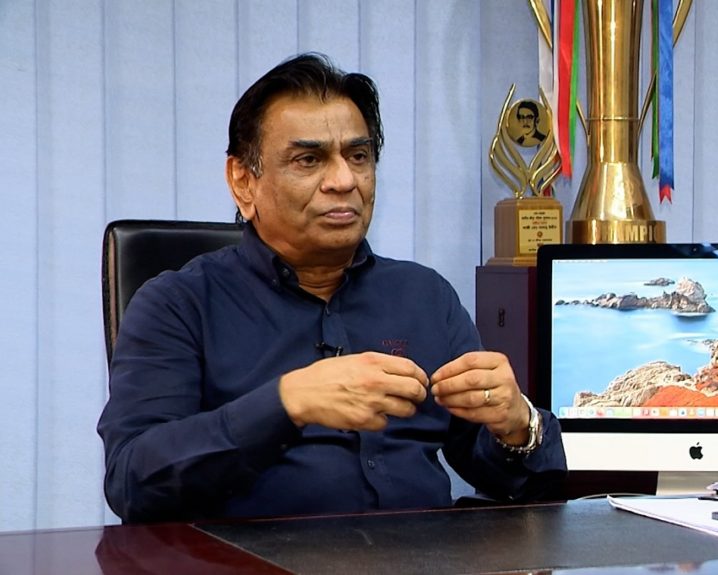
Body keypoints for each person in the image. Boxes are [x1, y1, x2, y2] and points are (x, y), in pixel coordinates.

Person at [97, 52, 567, 523]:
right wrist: (287, 402)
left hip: (423, 553)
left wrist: (517, 425)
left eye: (358, 156)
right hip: (255, 557)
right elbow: (134, 482)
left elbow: (510, 479)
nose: (344, 181)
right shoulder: (178, 305)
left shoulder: (424, 296)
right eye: (308, 159)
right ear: (243, 181)